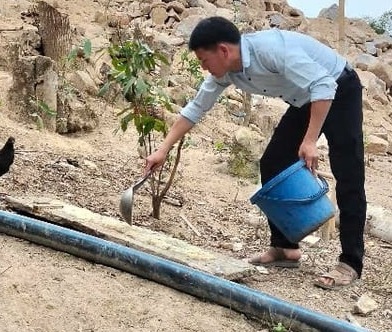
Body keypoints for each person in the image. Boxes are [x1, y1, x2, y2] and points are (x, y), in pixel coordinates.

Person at [143, 16, 367, 289]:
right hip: (305, 97)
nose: (204, 67)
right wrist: (162, 150)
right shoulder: (226, 70)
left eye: (204, 60)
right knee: (273, 162)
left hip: (339, 87)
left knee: (349, 173)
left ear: (223, 51)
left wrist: (310, 141)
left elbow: (324, 86)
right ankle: (285, 248)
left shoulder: (273, 50)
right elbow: (196, 108)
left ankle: (350, 262)